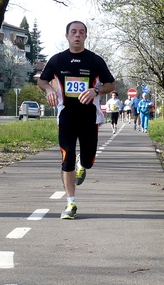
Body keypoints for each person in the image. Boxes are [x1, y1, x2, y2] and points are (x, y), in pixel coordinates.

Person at [38, 21, 116, 219]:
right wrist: (49, 89)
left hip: (89, 116)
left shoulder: (95, 61)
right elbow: (42, 80)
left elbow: (111, 84)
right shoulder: (57, 60)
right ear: (67, 36)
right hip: (66, 116)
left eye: (81, 32)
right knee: (67, 156)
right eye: (73, 32)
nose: (77, 35)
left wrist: (95, 90)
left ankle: (84, 165)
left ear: (85, 36)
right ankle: (70, 204)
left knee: (88, 160)